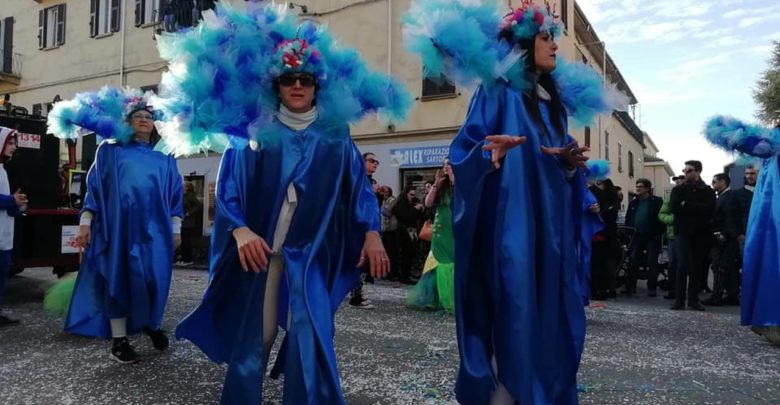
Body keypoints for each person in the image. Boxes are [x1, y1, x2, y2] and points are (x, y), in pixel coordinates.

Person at [156, 5, 409, 403]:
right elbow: (229, 188)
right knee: (259, 336)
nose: (297, 85)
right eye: (289, 78)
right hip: (261, 256)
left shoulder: (334, 135)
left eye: (305, 79)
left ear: (316, 85)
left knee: (312, 335)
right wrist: (240, 232)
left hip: (308, 256)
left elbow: (357, 187)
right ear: (277, 84)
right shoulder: (258, 132)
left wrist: (372, 232)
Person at [403, 0, 625, 402]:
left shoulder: (553, 112)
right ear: (523, 45)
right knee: (514, 310)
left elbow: (555, 173)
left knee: (549, 316)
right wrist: (489, 156)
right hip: (509, 232)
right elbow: (462, 152)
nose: (555, 46)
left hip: (549, 239)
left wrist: (571, 168)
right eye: (546, 38)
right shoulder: (497, 93)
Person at [47, 87, 184, 363]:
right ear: (127, 121)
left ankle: (150, 324)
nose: (145, 119)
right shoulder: (109, 152)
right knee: (118, 281)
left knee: (153, 281)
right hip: (119, 231)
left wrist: (176, 227)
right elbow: (94, 191)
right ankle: (119, 341)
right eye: (138, 116)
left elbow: (175, 195)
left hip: (155, 233)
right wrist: (86, 224)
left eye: (149, 115)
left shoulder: (165, 155)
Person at [703, 115, 780, 345]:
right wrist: (729, 133)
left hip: (770, 220)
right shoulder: (771, 152)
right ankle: (769, 322)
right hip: (770, 220)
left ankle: (769, 321)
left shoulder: (770, 154)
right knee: (770, 265)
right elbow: (746, 142)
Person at [407, 157, 455, 312]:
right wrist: (436, 183)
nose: (446, 166)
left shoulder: (463, 182)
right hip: (441, 228)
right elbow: (428, 203)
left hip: (455, 227)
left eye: (449, 164)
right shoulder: (442, 184)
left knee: (454, 260)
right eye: (445, 164)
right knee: (438, 260)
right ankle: (437, 299)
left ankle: (455, 297)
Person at [670, 160, 716, 311]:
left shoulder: (707, 190)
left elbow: (710, 209)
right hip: (683, 232)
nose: (685, 173)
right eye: (684, 170)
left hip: (700, 233)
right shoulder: (678, 190)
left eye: (689, 171)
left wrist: (688, 205)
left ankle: (693, 300)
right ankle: (679, 299)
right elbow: (675, 208)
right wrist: (694, 207)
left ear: (697, 172)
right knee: (682, 265)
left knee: (696, 266)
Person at [0, 127, 27, 327]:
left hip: (4, 236)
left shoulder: (2, 169)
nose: (14, 147)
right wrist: (11, 200)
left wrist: (17, 204)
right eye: (10, 143)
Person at [702, 173, 740, 306]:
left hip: (723, 237)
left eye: (714, 181)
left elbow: (728, 217)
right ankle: (732, 295)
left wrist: (722, 233)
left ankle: (717, 295)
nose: (712, 184)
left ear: (722, 182)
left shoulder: (727, 197)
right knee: (727, 267)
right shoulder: (724, 197)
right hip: (723, 236)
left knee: (719, 266)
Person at [623, 178, 664, 297]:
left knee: (652, 262)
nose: (638, 188)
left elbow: (661, 219)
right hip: (636, 237)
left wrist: (658, 233)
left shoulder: (656, 202)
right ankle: (631, 286)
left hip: (652, 237)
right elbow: (628, 218)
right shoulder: (633, 203)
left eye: (640, 186)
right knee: (633, 261)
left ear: (647, 188)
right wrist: (628, 231)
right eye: (637, 186)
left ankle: (652, 287)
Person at [588, 179, 620, 300]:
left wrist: (597, 212)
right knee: (597, 264)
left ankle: (605, 289)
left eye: (599, 184)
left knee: (604, 265)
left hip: (606, 236)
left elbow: (607, 214)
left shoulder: (611, 201)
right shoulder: (598, 197)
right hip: (598, 235)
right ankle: (598, 289)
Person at [658, 175, 685, 300]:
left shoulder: (692, 194)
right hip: (673, 235)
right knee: (673, 264)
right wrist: (674, 220)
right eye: (676, 181)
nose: (678, 183)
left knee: (687, 264)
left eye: (681, 180)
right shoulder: (669, 197)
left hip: (689, 235)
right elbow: (662, 214)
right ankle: (673, 290)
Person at [179, 181, 202, 266]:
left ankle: (188, 259)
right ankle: (183, 258)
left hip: (188, 222)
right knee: (183, 240)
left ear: (187, 187)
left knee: (186, 241)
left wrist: (190, 212)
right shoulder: (183, 196)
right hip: (183, 221)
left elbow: (198, 205)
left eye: (184, 185)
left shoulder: (190, 196)